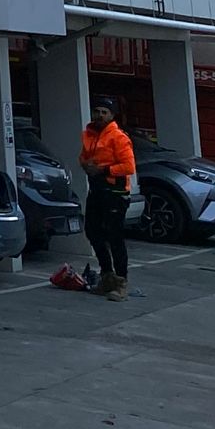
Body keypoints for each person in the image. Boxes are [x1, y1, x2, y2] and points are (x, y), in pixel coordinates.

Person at [81, 99, 136, 299]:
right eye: (97, 111)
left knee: (115, 237)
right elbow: (84, 156)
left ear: (112, 115)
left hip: (115, 192)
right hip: (97, 190)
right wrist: (86, 165)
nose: (100, 115)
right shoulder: (89, 134)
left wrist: (103, 170)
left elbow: (128, 167)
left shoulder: (118, 137)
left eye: (104, 112)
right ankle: (107, 276)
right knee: (93, 232)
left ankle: (121, 282)